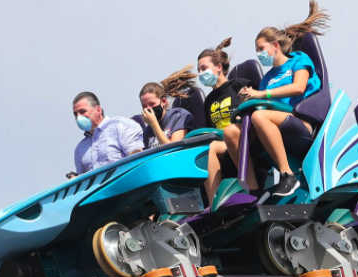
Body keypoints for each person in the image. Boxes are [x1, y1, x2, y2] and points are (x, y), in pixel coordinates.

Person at [223, 0, 328, 197]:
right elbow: (262, 105)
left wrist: (261, 94)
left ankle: (288, 176)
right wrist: (248, 100)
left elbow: (298, 88)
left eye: (261, 48)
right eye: (257, 51)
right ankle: (252, 189)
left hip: (302, 123)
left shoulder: (299, 60)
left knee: (260, 117)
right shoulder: (267, 78)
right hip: (273, 124)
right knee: (231, 132)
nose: (259, 54)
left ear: (275, 45)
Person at [197, 37, 257, 204]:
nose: (201, 73)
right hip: (222, 141)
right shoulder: (208, 101)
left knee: (214, 146)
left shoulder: (238, 85)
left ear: (218, 67)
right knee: (205, 149)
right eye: (199, 70)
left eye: (204, 68)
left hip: (243, 135)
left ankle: (250, 188)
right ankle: (214, 202)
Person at [71, 92, 144, 176]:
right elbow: (82, 183)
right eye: (76, 114)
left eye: (82, 111)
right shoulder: (80, 149)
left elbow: (138, 158)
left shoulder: (120, 125)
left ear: (98, 110)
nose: (78, 117)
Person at [140, 66, 197, 149]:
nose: (148, 108)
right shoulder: (147, 132)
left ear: (163, 102)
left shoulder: (179, 116)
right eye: (144, 106)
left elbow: (174, 150)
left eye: (152, 104)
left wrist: (154, 124)